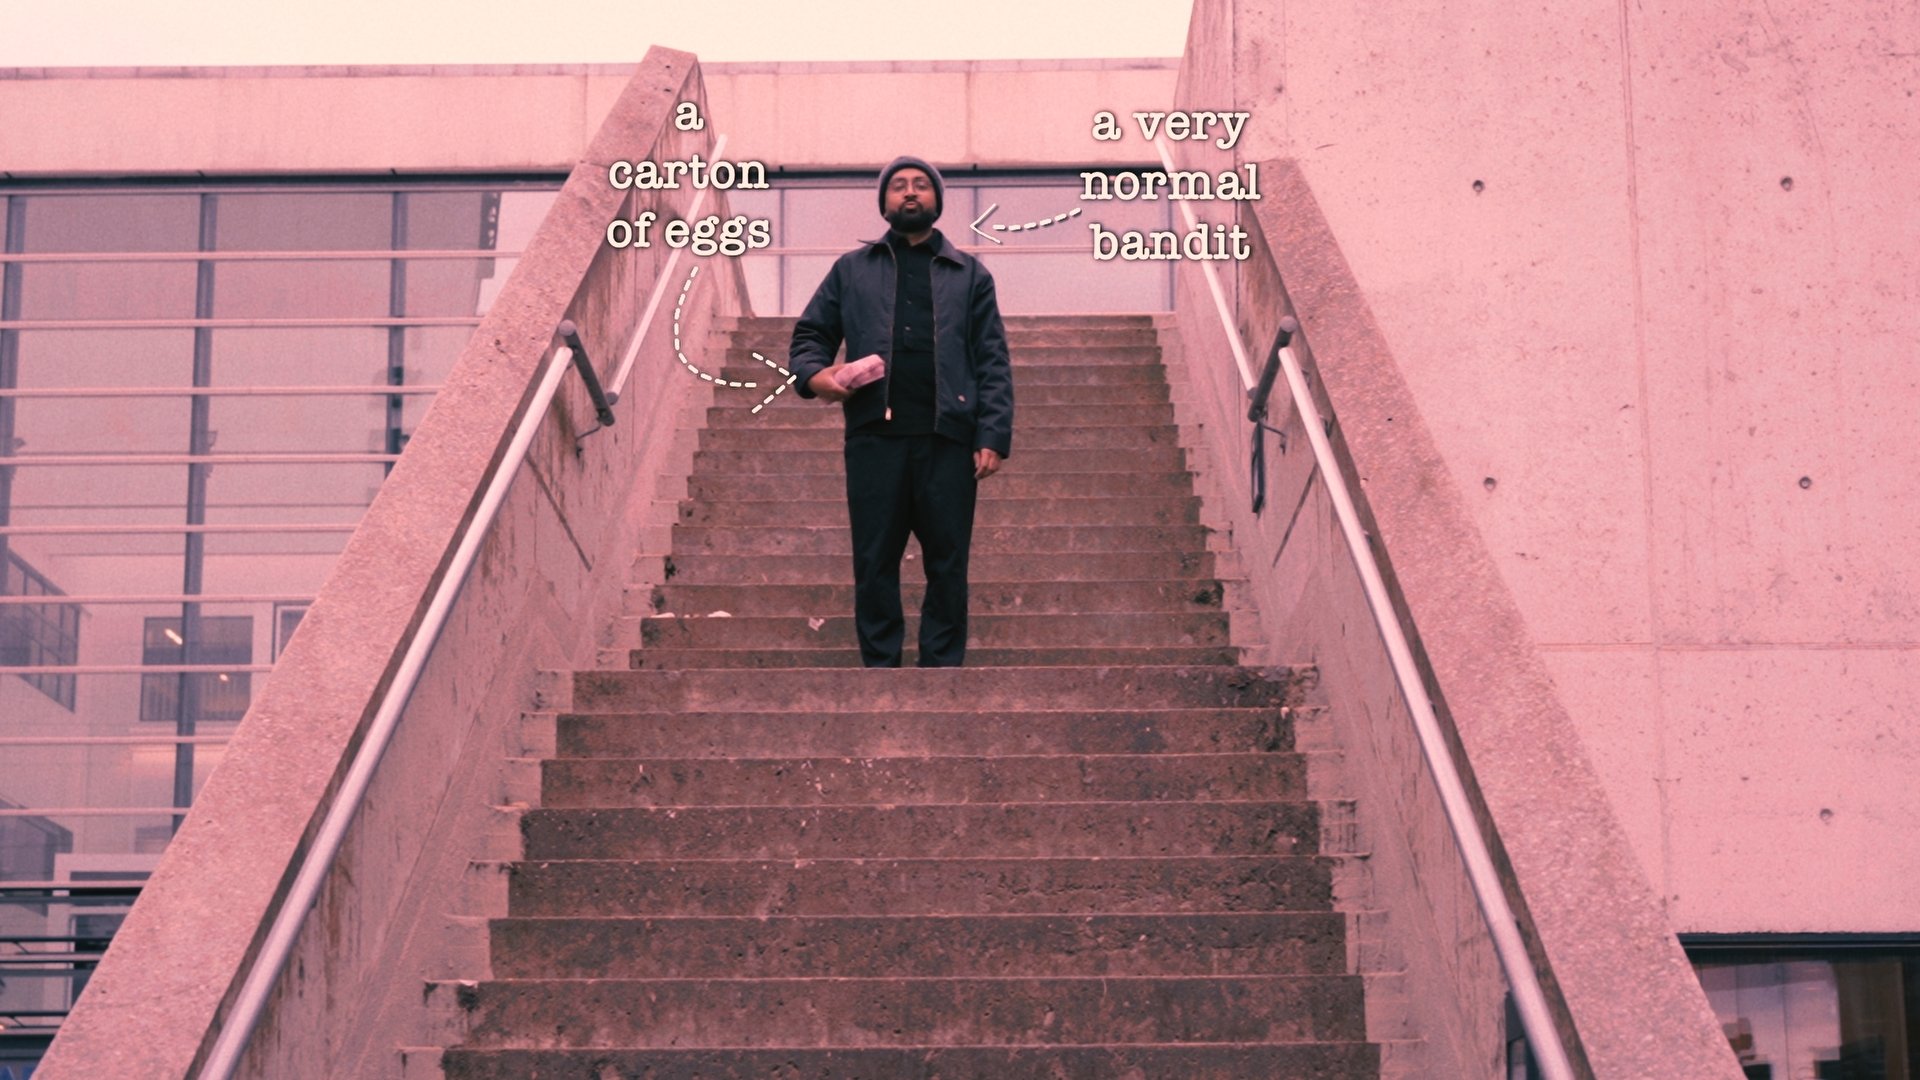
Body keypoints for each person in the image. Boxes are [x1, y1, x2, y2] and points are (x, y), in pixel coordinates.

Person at [786, 156, 1014, 668]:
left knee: (948, 564)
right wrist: (816, 377)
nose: (910, 193)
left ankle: (941, 671)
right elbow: (810, 336)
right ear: (884, 203)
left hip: (948, 439)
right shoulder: (851, 270)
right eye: (899, 186)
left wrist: (993, 434)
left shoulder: (970, 275)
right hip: (873, 440)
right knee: (874, 562)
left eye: (921, 185)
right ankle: (881, 670)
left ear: (937, 200)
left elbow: (992, 360)